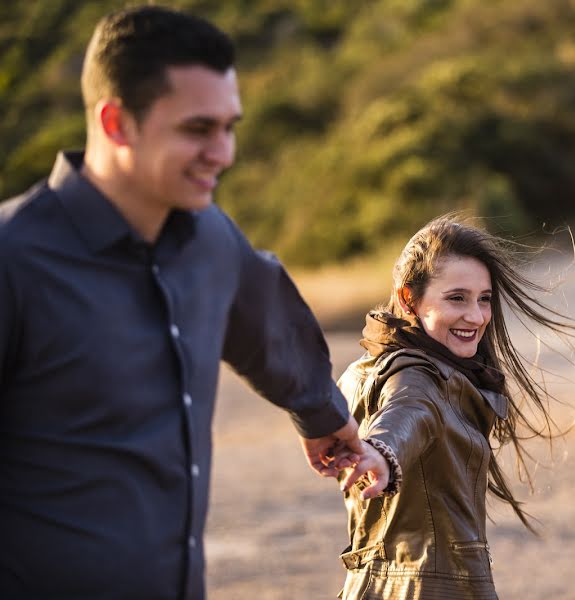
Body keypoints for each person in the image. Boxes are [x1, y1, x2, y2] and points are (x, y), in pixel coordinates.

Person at [0, 6, 379, 599]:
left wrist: (323, 415)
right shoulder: (13, 263)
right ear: (116, 122)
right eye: (198, 129)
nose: (223, 153)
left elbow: (265, 319)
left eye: (230, 128)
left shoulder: (210, 241)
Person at [335, 216, 575, 598]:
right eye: (457, 298)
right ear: (409, 298)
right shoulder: (420, 377)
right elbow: (408, 413)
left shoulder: (364, 369)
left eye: (484, 299)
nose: (476, 316)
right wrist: (382, 452)